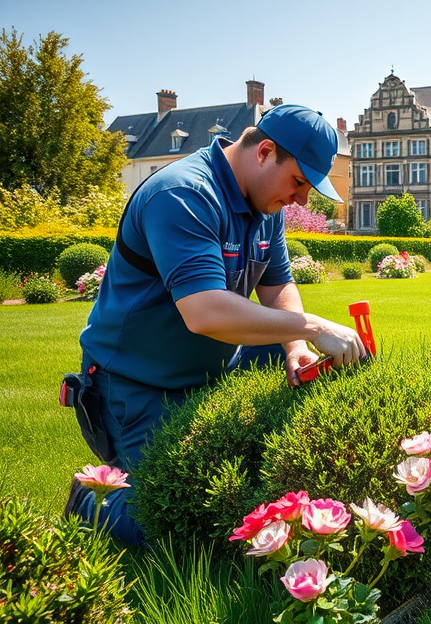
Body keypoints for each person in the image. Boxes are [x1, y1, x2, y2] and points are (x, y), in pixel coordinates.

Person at [65, 104, 366, 544]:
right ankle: (91, 501)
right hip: (135, 381)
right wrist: (311, 326)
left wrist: (296, 348)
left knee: (239, 496)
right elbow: (204, 311)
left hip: (207, 368)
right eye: (300, 182)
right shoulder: (183, 194)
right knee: (172, 526)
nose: (302, 199)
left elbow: (278, 285)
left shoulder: (265, 206)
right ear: (264, 151)